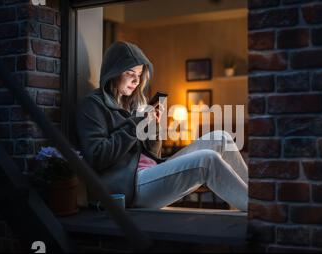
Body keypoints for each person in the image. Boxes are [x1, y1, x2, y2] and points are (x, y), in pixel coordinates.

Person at [76, 41, 248, 211]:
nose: (136, 80)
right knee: (207, 159)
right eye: (130, 72)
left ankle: (260, 199)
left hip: (151, 173)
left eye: (139, 73)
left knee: (221, 138)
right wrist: (136, 124)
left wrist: (154, 127)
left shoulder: (131, 104)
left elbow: (153, 155)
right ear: (113, 71)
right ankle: (260, 212)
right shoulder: (93, 104)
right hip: (130, 188)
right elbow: (97, 157)